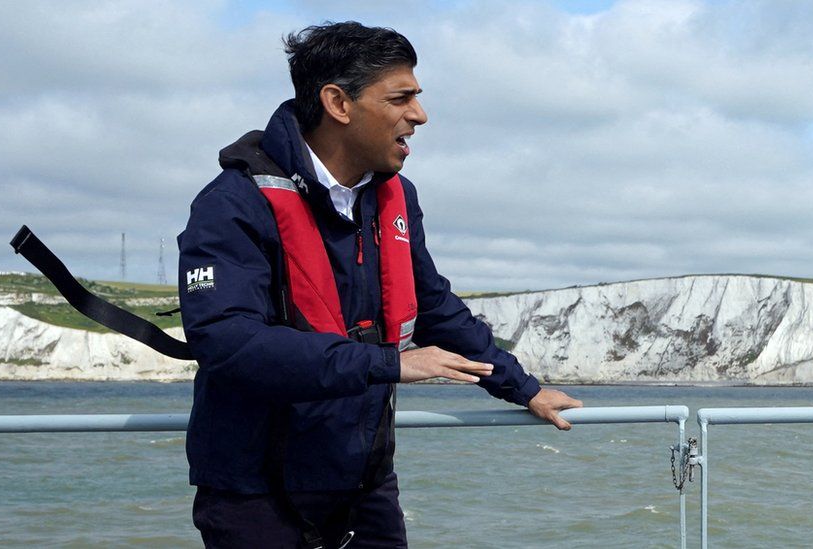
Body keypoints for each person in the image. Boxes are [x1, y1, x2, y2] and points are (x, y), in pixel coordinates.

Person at [177, 21, 582, 548]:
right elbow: (226, 342)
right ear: (338, 103)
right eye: (401, 98)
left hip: (363, 486)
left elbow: (434, 307)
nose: (420, 115)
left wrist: (522, 388)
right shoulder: (232, 203)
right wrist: (390, 363)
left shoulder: (395, 198)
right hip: (256, 496)